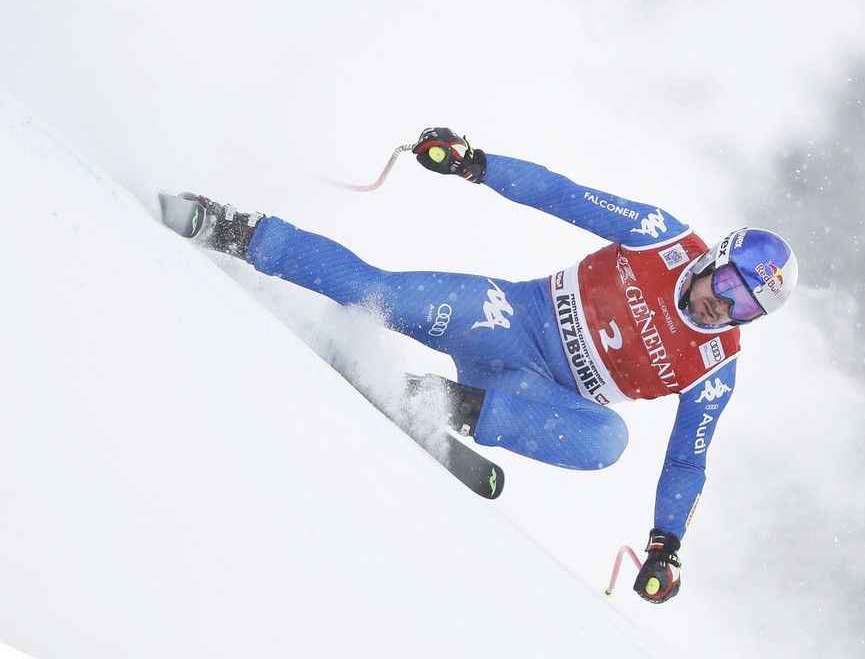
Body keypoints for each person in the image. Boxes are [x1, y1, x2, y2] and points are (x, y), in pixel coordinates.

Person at [158, 127, 798, 604]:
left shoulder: (715, 367)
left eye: (745, 310)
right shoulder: (663, 236)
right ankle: (229, 227)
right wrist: (475, 164)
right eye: (730, 286)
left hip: (526, 393)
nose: (724, 309)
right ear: (716, 259)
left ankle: (436, 399)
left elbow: (687, 459)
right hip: (506, 317)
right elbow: (561, 195)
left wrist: (666, 546)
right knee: (372, 291)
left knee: (609, 441)